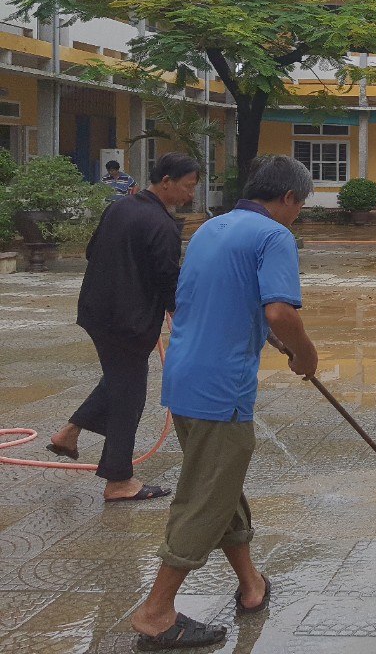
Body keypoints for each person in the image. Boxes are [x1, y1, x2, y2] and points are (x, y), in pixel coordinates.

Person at [130, 155, 318, 651]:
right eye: (300, 206)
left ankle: (251, 585)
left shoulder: (210, 229)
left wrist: (267, 337)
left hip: (185, 377)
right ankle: (155, 613)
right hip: (222, 388)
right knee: (206, 496)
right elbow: (279, 310)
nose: (296, 214)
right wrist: (305, 352)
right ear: (289, 199)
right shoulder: (274, 236)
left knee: (221, 484)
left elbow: (222, 300)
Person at [46, 152, 201, 502]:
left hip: (97, 312)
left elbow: (91, 252)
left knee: (119, 381)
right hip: (127, 323)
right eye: (188, 186)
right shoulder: (162, 226)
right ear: (166, 182)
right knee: (128, 397)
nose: (191, 195)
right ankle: (118, 481)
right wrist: (183, 321)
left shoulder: (119, 207)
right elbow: (167, 282)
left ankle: (68, 434)